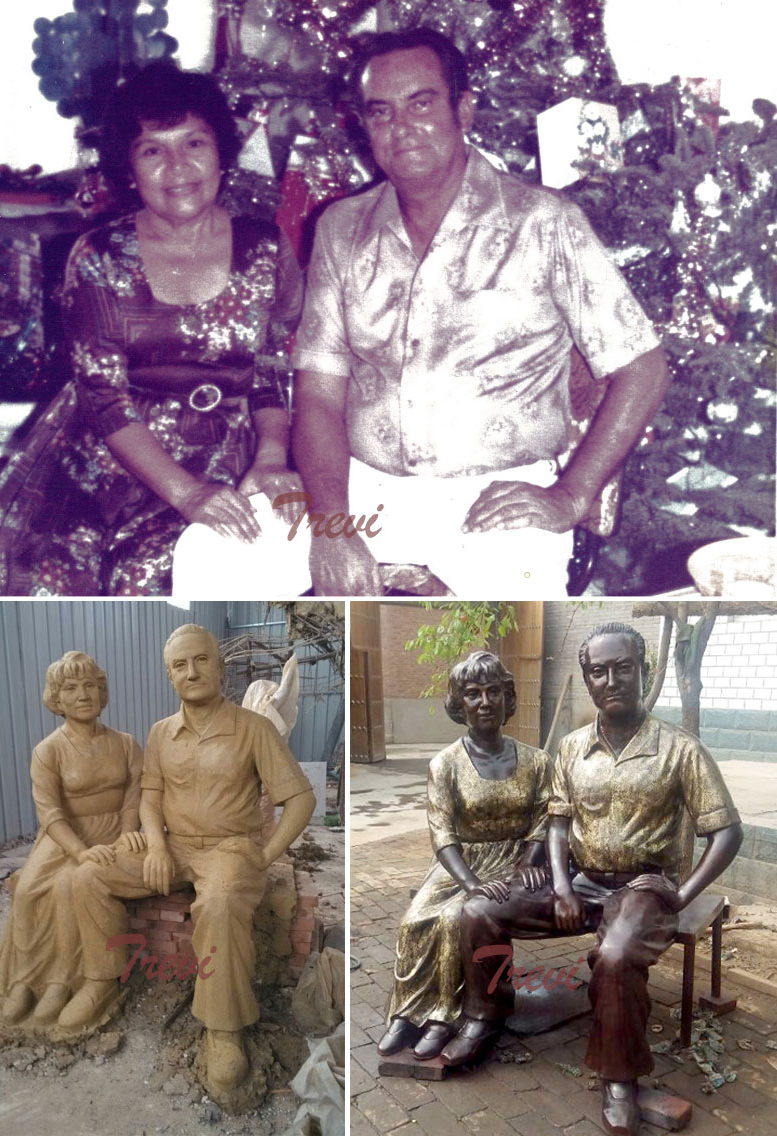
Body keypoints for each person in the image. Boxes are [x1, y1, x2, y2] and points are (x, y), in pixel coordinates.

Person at [291, 27, 670, 597]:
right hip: (358, 491)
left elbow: (645, 368)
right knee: (218, 555)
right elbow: (319, 393)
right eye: (382, 112)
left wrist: (571, 495)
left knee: (481, 660)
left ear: (462, 108)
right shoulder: (341, 229)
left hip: (498, 500)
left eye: (422, 103)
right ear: (364, 126)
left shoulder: (544, 221)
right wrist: (331, 524)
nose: (403, 128)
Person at [0, 61, 307, 596]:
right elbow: (103, 398)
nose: (178, 166)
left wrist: (270, 457)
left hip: (226, 453)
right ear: (129, 169)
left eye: (195, 142)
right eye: (153, 149)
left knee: (174, 573)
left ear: (222, 152)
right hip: (105, 459)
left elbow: (269, 364)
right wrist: (188, 494)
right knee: (48, 582)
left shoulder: (264, 246)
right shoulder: (99, 257)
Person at [446, 623, 742, 1136]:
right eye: (599, 671)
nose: (612, 680)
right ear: (587, 680)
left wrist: (681, 894)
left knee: (615, 955)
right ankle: (486, 1015)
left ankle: (619, 1074)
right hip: (580, 883)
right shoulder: (571, 748)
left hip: (642, 887)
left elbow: (727, 833)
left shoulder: (680, 749)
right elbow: (557, 824)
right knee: (477, 911)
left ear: (643, 671)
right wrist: (559, 885)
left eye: (623, 667)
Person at [58, 624, 315, 1096]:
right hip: (172, 846)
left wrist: (264, 854)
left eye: (201, 660)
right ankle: (101, 980)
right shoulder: (160, 734)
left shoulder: (252, 729)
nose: (191, 671)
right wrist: (154, 845)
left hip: (230, 848)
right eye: (180, 665)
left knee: (217, 905)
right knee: (90, 873)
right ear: (169, 676)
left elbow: (299, 798)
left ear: (220, 667)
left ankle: (223, 1029)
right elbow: (150, 799)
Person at [377, 652, 550, 1062]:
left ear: (508, 698)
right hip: (460, 864)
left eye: (494, 691)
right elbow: (442, 832)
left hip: (513, 861)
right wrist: (470, 881)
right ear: (460, 703)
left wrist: (530, 861)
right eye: (473, 694)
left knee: (458, 919)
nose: (485, 701)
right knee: (415, 919)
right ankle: (407, 1012)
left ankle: (445, 1018)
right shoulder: (445, 764)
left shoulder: (536, 761)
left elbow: (545, 818)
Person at [0, 651, 143, 1024]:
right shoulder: (48, 751)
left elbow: (135, 796)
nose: (83, 695)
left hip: (114, 833)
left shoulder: (125, 744)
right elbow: (51, 813)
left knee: (70, 887)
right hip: (64, 837)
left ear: (102, 692)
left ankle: (62, 982)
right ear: (57, 698)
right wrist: (80, 850)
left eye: (90, 685)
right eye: (71, 688)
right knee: (26, 892)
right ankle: (26, 981)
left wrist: (126, 836)